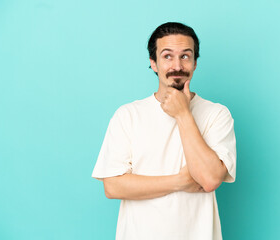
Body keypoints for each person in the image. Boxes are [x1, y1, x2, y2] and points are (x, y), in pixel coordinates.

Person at [92, 22, 237, 240]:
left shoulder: (217, 114)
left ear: (195, 63)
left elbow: (209, 179)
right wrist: (179, 181)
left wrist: (183, 114)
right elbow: (113, 186)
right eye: (167, 56)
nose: (177, 65)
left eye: (185, 56)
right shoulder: (128, 115)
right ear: (154, 63)